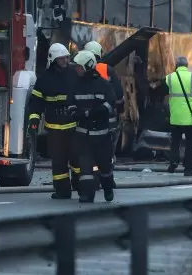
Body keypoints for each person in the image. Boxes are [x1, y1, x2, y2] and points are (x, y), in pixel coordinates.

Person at [27, 43, 80, 200]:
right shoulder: (45, 79)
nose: (64, 61)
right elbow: (36, 101)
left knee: (77, 159)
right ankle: (62, 191)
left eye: (66, 58)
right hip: (54, 128)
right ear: (53, 59)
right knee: (58, 162)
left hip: (73, 126)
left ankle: (81, 184)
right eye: (61, 59)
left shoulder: (74, 74)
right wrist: (33, 120)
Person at [67, 50, 118, 203]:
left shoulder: (103, 85)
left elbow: (111, 103)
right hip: (83, 135)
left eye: (79, 67)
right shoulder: (75, 85)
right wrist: (75, 113)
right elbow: (70, 104)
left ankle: (108, 189)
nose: (77, 70)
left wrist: (96, 112)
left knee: (105, 167)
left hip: (102, 136)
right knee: (85, 168)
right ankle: (87, 195)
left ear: (88, 66)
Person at [82, 40, 125, 154]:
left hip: (84, 116)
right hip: (106, 115)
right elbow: (119, 93)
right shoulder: (106, 69)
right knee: (107, 144)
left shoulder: (79, 69)